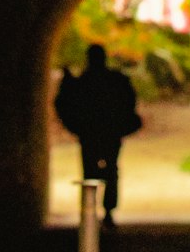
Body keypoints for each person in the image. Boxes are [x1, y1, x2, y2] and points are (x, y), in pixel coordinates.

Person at [54, 43, 142, 224]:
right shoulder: (114, 80)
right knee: (111, 169)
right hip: (110, 133)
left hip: (90, 134)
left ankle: (91, 208)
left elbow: (64, 102)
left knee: (90, 171)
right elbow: (129, 101)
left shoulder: (83, 82)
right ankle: (108, 210)